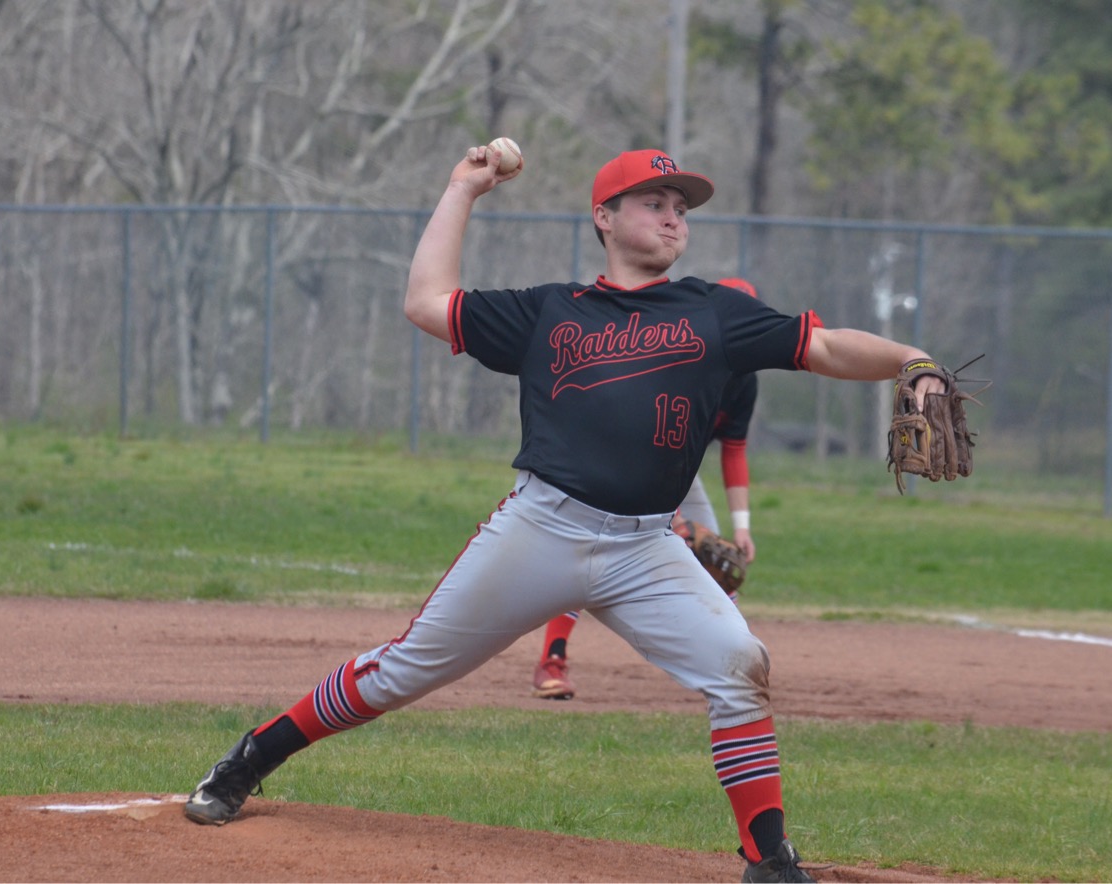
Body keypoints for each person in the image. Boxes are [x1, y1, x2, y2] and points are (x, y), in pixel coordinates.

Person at [182, 145, 946, 884]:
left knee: (738, 666)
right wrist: (463, 190)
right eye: (654, 202)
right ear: (604, 218)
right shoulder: (549, 312)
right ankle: (253, 756)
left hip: (648, 547)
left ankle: (769, 860)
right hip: (542, 528)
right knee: (400, 673)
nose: (673, 217)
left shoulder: (717, 312)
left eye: (680, 206)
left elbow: (829, 346)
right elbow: (424, 302)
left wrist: (910, 357)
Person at [532, 277, 761, 701]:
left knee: (714, 563)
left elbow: (734, 449)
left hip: (677, 469)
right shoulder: (680, 356)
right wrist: (666, 518)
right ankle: (552, 660)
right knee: (586, 556)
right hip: (612, 460)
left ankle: (732, 671)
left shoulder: (744, 377)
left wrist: (742, 525)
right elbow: (633, 434)